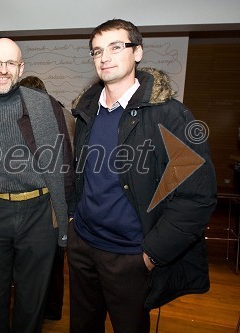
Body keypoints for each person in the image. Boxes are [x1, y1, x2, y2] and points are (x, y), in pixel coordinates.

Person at [67, 19, 217, 333]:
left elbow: (197, 196)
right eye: (97, 51)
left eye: (115, 47)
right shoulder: (86, 112)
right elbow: (79, 173)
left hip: (130, 256)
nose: (104, 57)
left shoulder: (170, 114)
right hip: (83, 248)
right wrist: (73, 220)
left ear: (138, 53)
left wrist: (152, 253)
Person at [0, 38, 73, 333]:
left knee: (32, 301)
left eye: (10, 63)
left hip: (40, 213)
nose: (3, 70)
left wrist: (65, 216)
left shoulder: (46, 106)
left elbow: (65, 161)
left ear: (21, 67)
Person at [19, 75, 75, 321]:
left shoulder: (47, 115)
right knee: (54, 259)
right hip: (63, 195)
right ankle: (51, 309)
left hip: (48, 197)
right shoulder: (66, 113)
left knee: (40, 261)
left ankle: (36, 309)